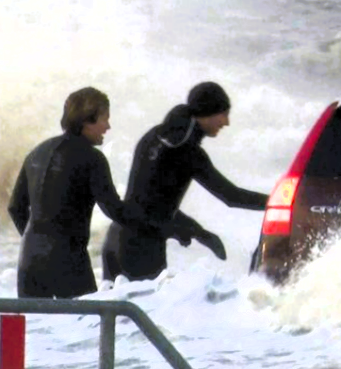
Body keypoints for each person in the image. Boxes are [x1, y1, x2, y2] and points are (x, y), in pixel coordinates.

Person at [8, 87, 186, 299]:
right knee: (87, 325)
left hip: (29, 261)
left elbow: (15, 207)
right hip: (68, 260)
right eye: (104, 119)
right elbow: (116, 211)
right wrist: (161, 227)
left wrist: (36, 242)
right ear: (87, 120)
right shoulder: (91, 159)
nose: (108, 126)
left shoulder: (37, 152)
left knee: (36, 329)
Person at [101, 81, 268, 282]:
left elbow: (150, 200)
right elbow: (231, 196)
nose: (226, 122)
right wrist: (280, 203)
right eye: (223, 114)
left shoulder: (154, 135)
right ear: (207, 112)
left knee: (110, 312)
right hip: (141, 248)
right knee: (142, 313)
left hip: (115, 240)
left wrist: (198, 231)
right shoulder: (187, 151)